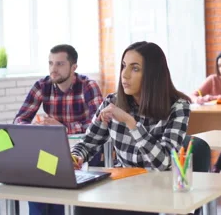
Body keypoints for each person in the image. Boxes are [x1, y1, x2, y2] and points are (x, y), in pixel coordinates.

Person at [71, 41, 191, 215]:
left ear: (152, 75)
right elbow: (88, 143)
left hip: (160, 192)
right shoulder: (112, 102)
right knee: (84, 207)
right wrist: (76, 156)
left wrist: (131, 123)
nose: (124, 75)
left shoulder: (178, 107)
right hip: (123, 187)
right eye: (123, 66)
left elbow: (163, 162)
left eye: (135, 69)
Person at [14, 44, 104, 215]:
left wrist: (63, 128)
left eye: (60, 64)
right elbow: (19, 119)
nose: (53, 69)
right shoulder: (42, 86)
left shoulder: (88, 86)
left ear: (73, 67)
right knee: (37, 183)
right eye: (50, 63)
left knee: (68, 186)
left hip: (86, 154)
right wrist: (34, 128)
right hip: (55, 152)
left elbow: (98, 127)